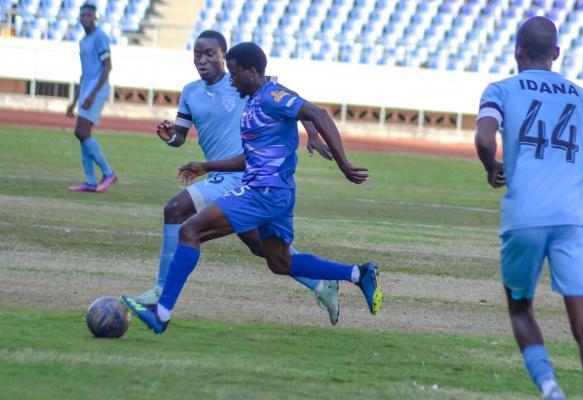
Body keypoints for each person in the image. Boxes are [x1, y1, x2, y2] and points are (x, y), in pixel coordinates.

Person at [122, 42, 382, 334]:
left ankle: (162, 311)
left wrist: (343, 163)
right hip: (276, 194)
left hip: (263, 191)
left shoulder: (271, 97)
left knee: (189, 230)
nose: (231, 80)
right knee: (280, 262)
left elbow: (317, 113)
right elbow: (251, 158)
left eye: (235, 74)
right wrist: (207, 166)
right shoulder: (255, 103)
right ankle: (358, 273)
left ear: (252, 72)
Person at [474, 17, 583, 400]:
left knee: (521, 309)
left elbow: (484, 138)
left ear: (517, 51)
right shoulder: (582, 97)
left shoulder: (500, 90)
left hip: (523, 217)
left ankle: (551, 390)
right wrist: (575, 168)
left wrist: (493, 167)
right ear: (556, 54)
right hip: (572, 221)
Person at [66, 3, 117, 193]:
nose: (85, 18)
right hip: (87, 90)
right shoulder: (83, 41)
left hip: (97, 90)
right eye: (82, 15)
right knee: (81, 134)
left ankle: (108, 173)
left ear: (95, 18)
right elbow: (84, 73)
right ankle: (89, 180)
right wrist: (74, 100)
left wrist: (93, 93)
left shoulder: (100, 36)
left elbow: (108, 66)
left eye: (88, 15)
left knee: (81, 131)